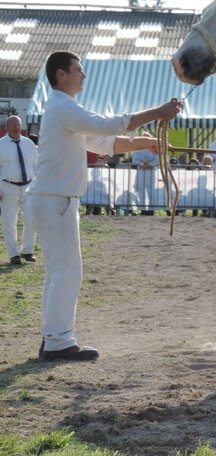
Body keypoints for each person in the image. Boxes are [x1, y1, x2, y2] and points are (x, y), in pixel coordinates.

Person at [28, 50, 181, 362]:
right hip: (55, 200)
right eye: (78, 70)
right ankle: (57, 341)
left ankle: (53, 338)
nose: (83, 76)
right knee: (66, 272)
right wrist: (159, 111)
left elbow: (104, 143)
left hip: (54, 199)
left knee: (59, 272)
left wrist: (144, 143)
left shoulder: (64, 110)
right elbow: (109, 125)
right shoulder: (61, 108)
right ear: (61, 75)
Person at [0, 115, 38, 265]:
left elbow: (36, 165)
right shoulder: (1, 145)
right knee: (9, 222)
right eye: (13, 125)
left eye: (18, 125)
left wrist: (37, 185)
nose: (16, 128)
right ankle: (13, 254)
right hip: (8, 186)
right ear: (7, 127)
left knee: (31, 219)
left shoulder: (29, 144)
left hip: (28, 186)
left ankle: (27, 250)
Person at [131, 132, 158, 215]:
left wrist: (149, 164)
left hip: (151, 172)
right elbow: (134, 159)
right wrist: (143, 164)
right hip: (141, 172)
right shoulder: (138, 149)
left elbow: (158, 160)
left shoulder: (154, 149)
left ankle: (151, 209)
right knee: (141, 191)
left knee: (151, 191)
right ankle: (143, 209)